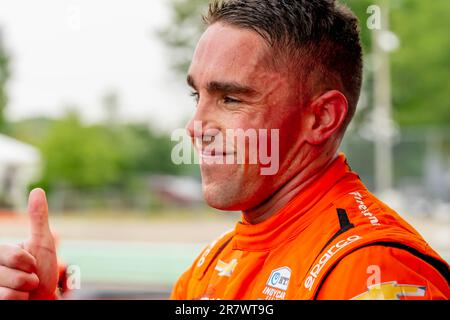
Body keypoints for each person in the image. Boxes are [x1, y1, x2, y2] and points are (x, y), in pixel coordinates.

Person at [0, 0, 448, 300]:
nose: (196, 128)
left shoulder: (373, 268)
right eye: (198, 96)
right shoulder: (213, 262)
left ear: (321, 118)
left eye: (231, 98)